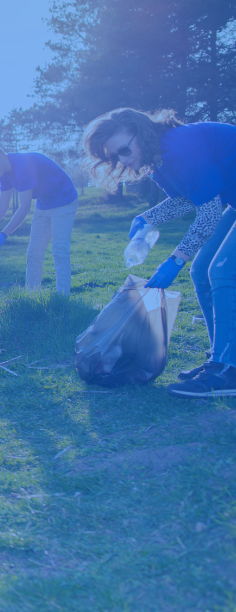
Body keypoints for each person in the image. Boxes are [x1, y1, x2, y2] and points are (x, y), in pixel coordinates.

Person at [82, 107, 236, 398]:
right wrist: (147, 218)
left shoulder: (179, 146)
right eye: (116, 156)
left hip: (225, 203)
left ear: (140, 132)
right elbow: (187, 199)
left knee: (223, 270)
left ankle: (228, 368)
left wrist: (175, 259)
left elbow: (209, 213)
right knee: (201, 271)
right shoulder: (157, 160)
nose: (124, 160)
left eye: (125, 150)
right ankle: (222, 359)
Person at [0, 145, 80, 295]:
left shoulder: (23, 165)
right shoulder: (3, 173)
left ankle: (62, 298)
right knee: (34, 252)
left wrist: (4, 234)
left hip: (64, 200)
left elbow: (25, 207)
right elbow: (3, 204)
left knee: (59, 251)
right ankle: (31, 296)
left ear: (1, 155)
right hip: (43, 203)